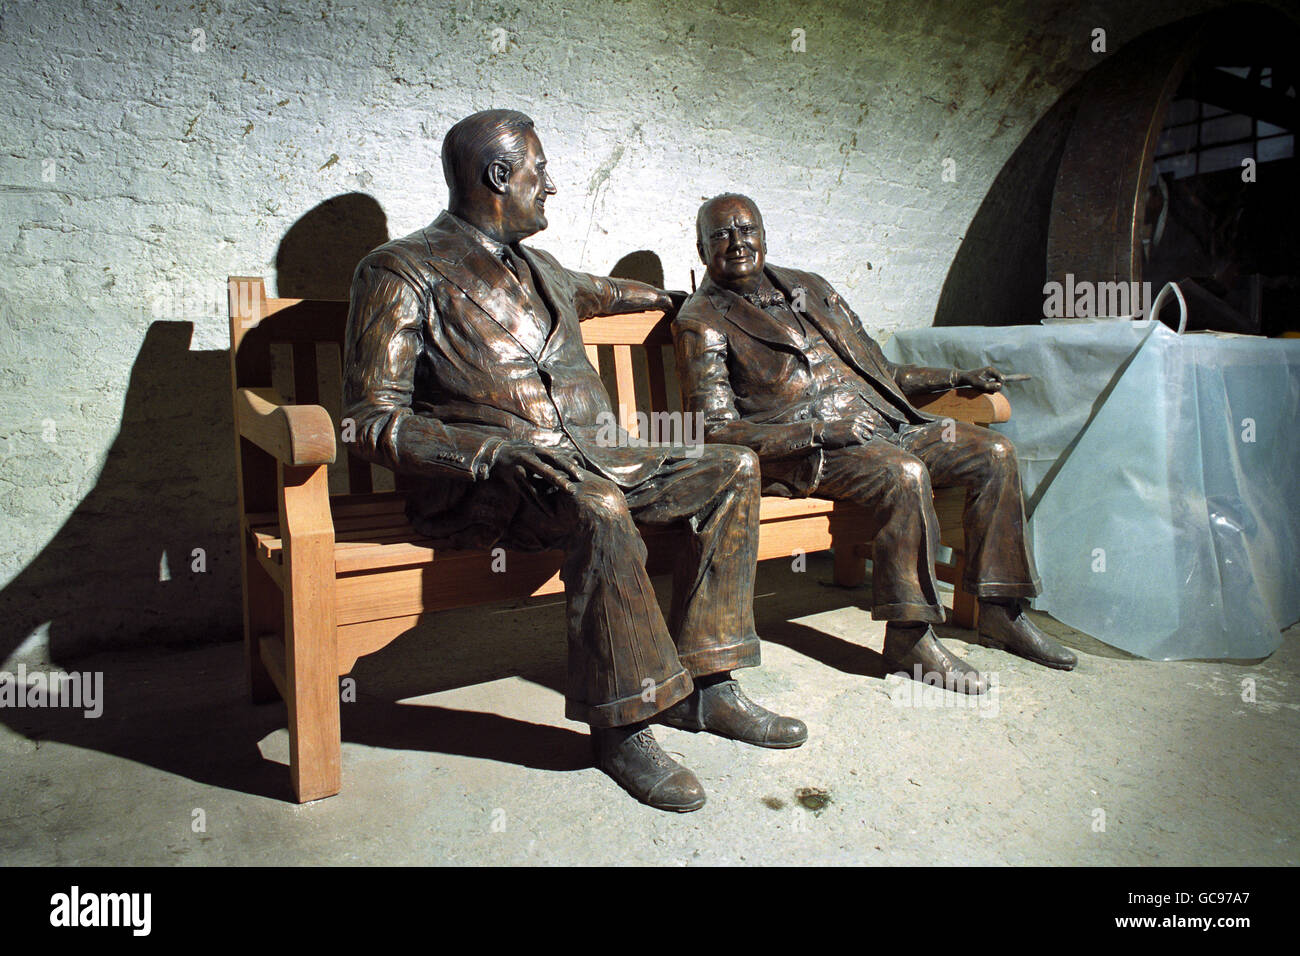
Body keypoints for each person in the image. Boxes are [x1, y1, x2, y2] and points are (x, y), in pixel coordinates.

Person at [343, 116, 806, 812]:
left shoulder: (544, 271)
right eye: (540, 170)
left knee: (732, 467)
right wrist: (488, 453)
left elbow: (612, 293)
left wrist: (672, 299)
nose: (551, 185)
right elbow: (367, 419)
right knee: (598, 505)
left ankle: (709, 687)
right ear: (500, 177)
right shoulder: (401, 269)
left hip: (597, 458)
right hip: (493, 483)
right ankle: (626, 723)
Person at [672, 193, 1076, 693]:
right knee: (903, 474)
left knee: (993, 454)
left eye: (746, 229)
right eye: (721, 235)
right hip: (811, 452)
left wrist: (956, 375)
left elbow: (881, 370)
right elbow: (713, 431)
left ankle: (1001, 612)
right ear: (700, 247)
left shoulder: (811, 288)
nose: (737, 243)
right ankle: (910, 639)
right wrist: (819, 431)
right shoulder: (700, 320)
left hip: (887, 425)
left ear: (764, 234)